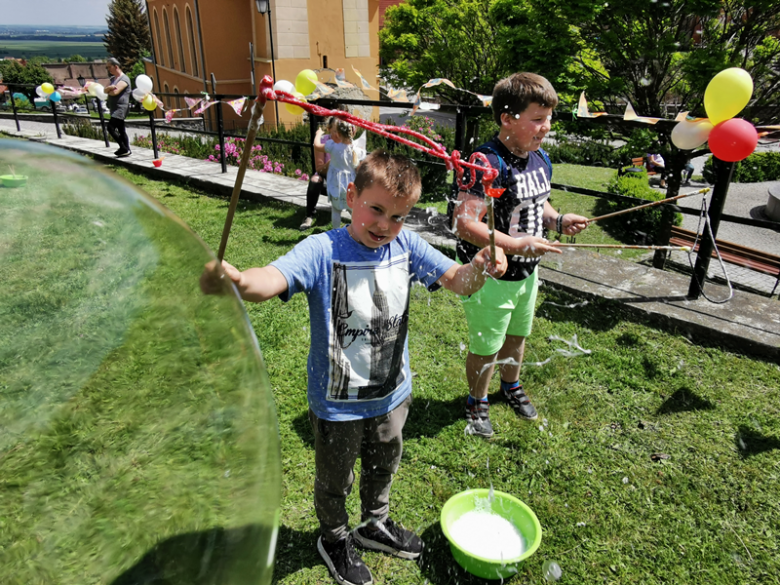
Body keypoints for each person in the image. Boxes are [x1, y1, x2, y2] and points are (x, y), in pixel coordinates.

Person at [201, 150, 507, 585]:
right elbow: (270, 279)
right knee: (335, 479)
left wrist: (481, 267)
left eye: (399, 216)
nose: (385, 225)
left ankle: (373, 524)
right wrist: (239, 281)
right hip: (337, 404)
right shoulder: (321, 249)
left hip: (391, 393)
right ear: (351, 196)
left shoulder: (405, 245)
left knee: (384, 463)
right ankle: (334, 536)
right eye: (376, 209)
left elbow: (458, 281)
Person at [452, 72, 589, 439]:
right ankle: (476, 400)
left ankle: (509, 385)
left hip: (528, 272)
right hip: (491, 274)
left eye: (549, 118)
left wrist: (558, 219)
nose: (546, 128)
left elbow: (535, 204)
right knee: (486, 344)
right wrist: (513, 245)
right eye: (537, 119)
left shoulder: (539, 158)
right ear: (507, 119)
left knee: (517, 334)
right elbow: (464, 223)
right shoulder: (484, 161)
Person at [314, 119, 365, 229]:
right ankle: (357, 231)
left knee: (336, 210)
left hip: (336, 185)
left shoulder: (332, 146)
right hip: (351, 185)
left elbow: (316, 145)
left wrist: (318, 134)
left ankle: (336, 232)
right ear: (353, 132)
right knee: (352, 209)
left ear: (338, 134)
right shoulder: (355, 148)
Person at [300, 116, 334, 230]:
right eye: (336, 128)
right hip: (325, 174)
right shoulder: (324, 141)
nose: (339, 132)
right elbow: (319, 168)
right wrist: (332, 162)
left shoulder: (347, 141)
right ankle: (309, 216)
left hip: (342, 177)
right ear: (329, 129)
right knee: (315, 179)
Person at [104, 57, 131, 158]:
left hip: (121, 108)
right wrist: (109, 88)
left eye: (109, 67)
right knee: (121, 130)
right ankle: (126, 149)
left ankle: (123, 147)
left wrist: (110, 89)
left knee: (110, 128)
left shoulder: (124, 79)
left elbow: (115, 92)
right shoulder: (112, 79)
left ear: (116, 66)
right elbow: (104, 90)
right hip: (114, 108)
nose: (108, 69)